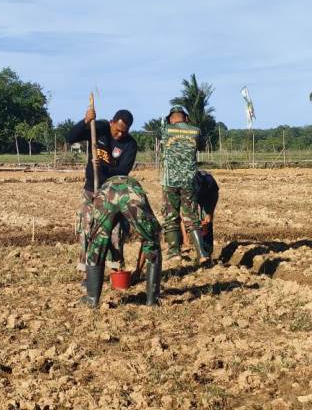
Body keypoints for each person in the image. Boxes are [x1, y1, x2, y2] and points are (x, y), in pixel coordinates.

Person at [66, 107, 137, 272]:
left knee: (115, 232)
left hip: (112, 193)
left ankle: (116, 270)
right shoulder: (98, 128)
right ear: (112, 122)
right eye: (117, 130)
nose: (119, 135)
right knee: (86, 230)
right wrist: (85, 121)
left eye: (124, 132)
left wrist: (105, 169)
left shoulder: (130, 145)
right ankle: (87, 271)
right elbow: (70, 137)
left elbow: (123, 171)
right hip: (91, 190)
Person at [83, 175, 161, 307]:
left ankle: (91, 299)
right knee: (151, 239)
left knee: (97, 243)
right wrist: (138, 269)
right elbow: (148, 240)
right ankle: (152, 301)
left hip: (107, 194)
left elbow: (97, 240)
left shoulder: (105, 188)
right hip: (131, 193)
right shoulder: (134, 187)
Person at [160, 105, 209, 264]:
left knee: (171, 216)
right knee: (192, 217)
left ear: (170, 118)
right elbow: (201, 146)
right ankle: (202, 254)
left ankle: (175, 252)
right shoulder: (195, 131)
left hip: (170, 181)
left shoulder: (166, 130)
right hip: (189, 181)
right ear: (186, 117)